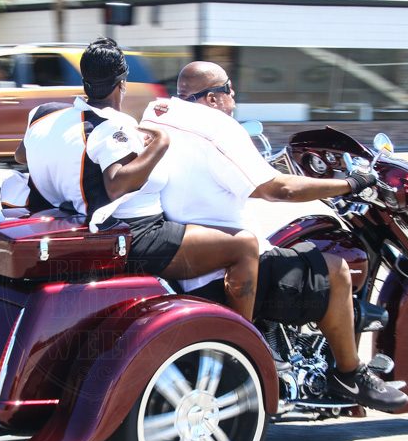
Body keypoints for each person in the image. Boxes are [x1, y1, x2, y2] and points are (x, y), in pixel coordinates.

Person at [140, 61, 408, 412]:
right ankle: (349, 374)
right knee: (337, 270)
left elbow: (217, 173)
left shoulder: (158, 113)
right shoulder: (220, 127)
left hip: (182, 255)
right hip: (225, 269)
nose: (233, 98)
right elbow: (278, 189)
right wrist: (350, 183)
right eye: (229, 90)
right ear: (212, 99)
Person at [13, 38, 261, 321]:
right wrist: (160, 143)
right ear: (122, 83)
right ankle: (244, 338)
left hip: (80, 223)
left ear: (85, 79)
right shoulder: (113, 125)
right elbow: (117, 184)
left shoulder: (44, 114)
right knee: (244, 246)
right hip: (140, 234)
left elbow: (22, 155)